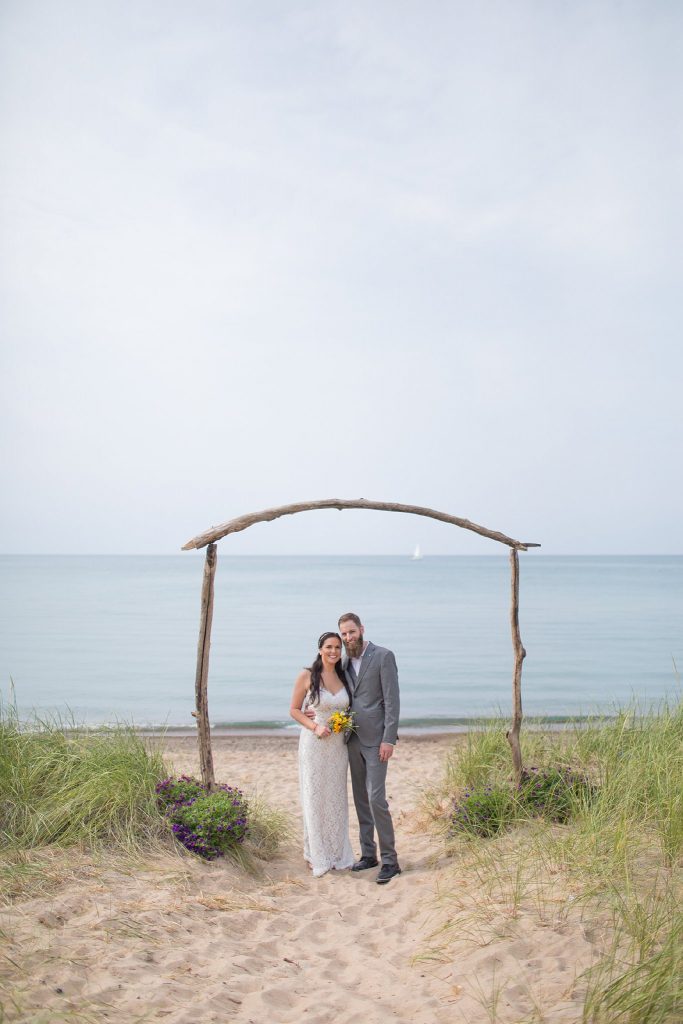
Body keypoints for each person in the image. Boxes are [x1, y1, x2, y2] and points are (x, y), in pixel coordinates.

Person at [306, 613, 401, 884]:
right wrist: (312, 711)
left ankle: (391, 861)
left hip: (377, 740)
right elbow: (327, 691)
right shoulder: (344, 662)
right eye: (343, 634)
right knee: (360, 799)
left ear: (361, 629)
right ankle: (369, 854)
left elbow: (392, 701)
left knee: (376, 799)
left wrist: (389, 739)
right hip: (351, 739)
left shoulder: (383, 656)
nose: (348, 638)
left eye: (351, 632)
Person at [289, 631, 355, 878]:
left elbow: (351, 707)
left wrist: (345, 722)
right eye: (329, 647)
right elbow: (295, 710)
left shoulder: (344, 676)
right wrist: (315, 726)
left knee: (336, 797)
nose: (333, 651)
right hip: (314, 743)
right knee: (315, 797)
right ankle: (316, 854)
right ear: (320, 649)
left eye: (338, 647)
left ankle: (338, 853)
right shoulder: (307, 675)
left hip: (338, 746)